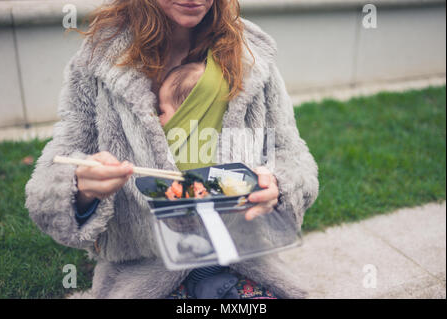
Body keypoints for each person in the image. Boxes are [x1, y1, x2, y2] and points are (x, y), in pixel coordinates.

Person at [25, 0, 319, 299]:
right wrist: (81, 186)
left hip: (244, 261)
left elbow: (292, 155)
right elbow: (52, 176)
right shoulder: (99, 59)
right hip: (147, 274)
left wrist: (278, 186)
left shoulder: (251, 55)